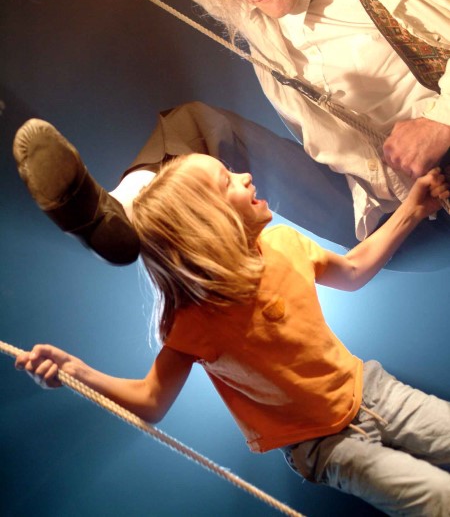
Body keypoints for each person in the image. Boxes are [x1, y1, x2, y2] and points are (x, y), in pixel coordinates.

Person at [3, 0, 450, 245]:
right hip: (371, 215)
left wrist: (440, 123)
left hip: (441, 186)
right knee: (197, 126)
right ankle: (112, 216)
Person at [14, 117, 450, 515]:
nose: (245, 175)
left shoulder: (284, 245)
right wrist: (78, 373)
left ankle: (114, 211)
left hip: (374, 391)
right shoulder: (192, 320)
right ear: (210, 220)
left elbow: (353, 270)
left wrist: (413, 208)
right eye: (227, 181)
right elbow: (150, 401)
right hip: (326, 446)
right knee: (438, 499)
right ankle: (111, 216)